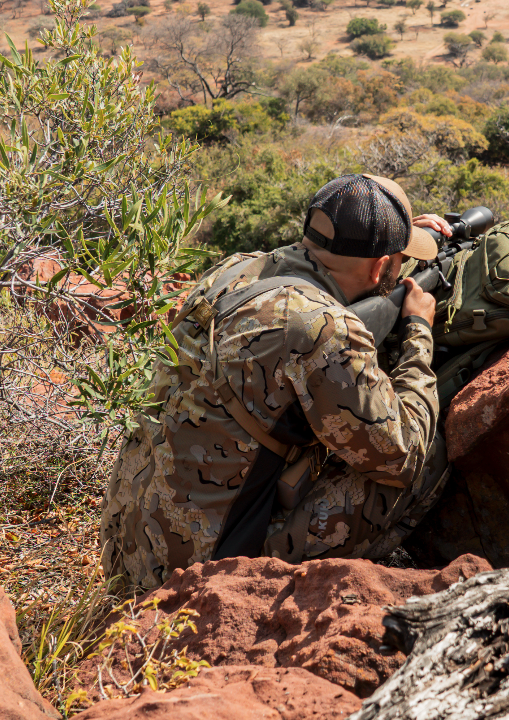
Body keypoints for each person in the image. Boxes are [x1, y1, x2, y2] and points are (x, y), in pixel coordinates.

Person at [102, 174, 453, 590]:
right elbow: (402, 455)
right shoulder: (326, 329)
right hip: (193, 575)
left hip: (126, 553)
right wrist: (417, 329)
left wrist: (404, 242)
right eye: (397, 258)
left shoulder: (235, 269)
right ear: (381, 267)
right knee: (430, 449)